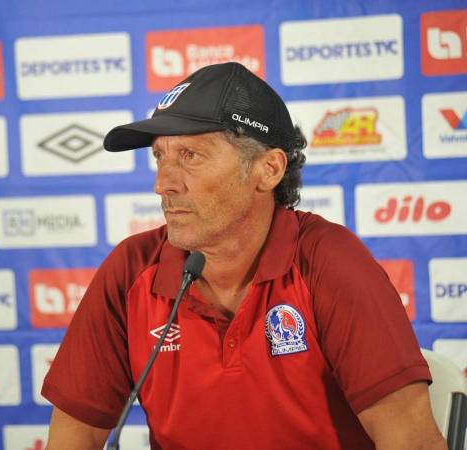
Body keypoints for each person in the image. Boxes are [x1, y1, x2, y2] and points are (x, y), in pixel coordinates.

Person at [42, 62, 445, 449]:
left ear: (268, 169)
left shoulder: (328, 261)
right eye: (160, 157)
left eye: (190, 156)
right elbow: (73, 439)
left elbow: (413, 441)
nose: (162, 184)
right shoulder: (132, 270)